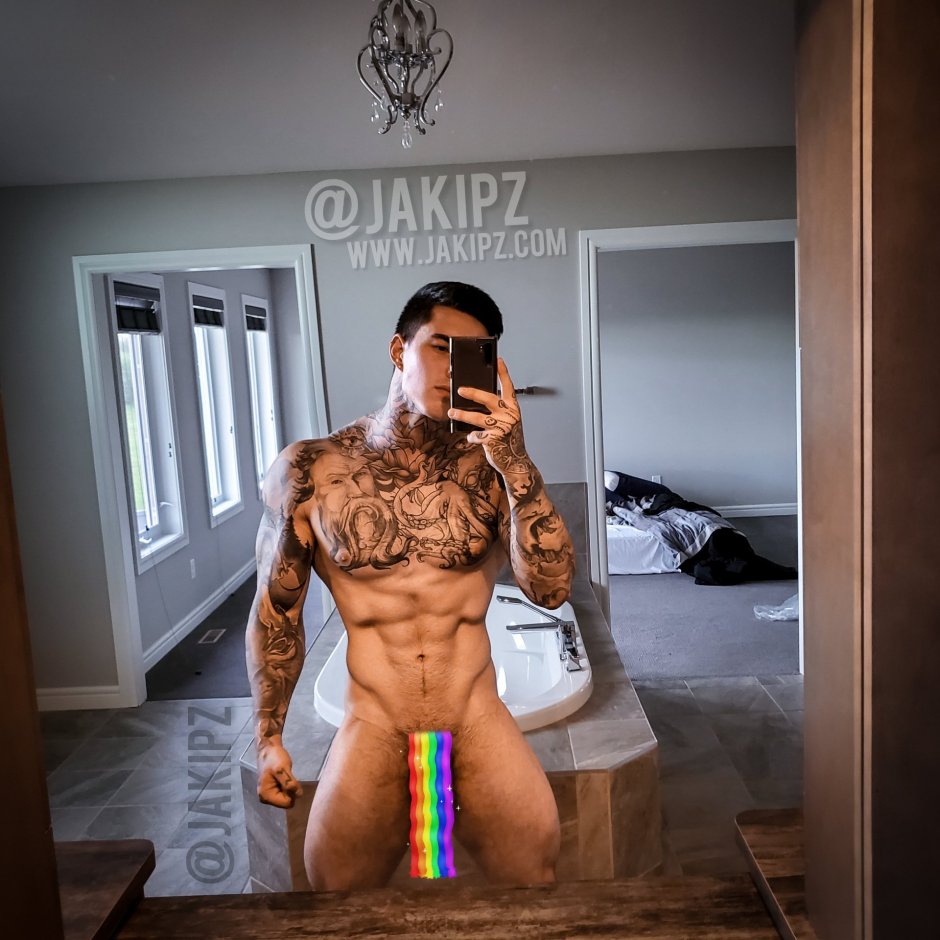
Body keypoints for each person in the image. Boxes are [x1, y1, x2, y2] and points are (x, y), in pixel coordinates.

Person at [245, 281, 575, 891]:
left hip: (475, 715)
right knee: (337, 896)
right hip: (375, 722)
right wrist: (269, 737)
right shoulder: (311, 471)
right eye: (441, 347)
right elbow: (276, 612)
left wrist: (517, 463)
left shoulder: (493, 468)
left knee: (532, 886)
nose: (454, 369)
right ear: (399, 350)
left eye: (473, 354)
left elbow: (551, 592)